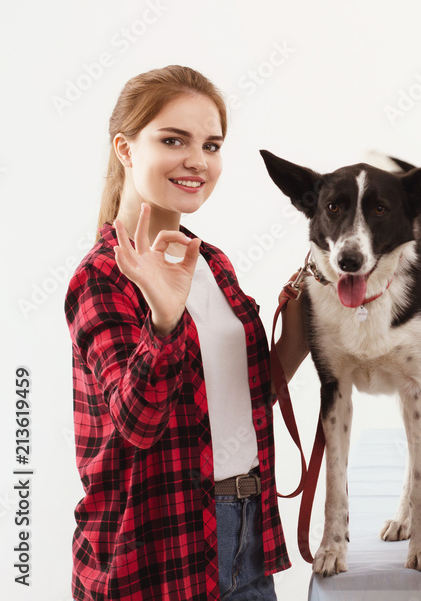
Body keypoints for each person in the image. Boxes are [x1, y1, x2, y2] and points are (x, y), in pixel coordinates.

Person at [64, 65, 308, 600]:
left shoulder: (213, 263)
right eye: (173, 140)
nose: (197, 160)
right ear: (126, 150)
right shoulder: (102, 276)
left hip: (247, 536)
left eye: (211, 144)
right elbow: (135, 424)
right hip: (152, 553)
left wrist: (302, 328)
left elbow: (248, 396)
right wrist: (165, 321)